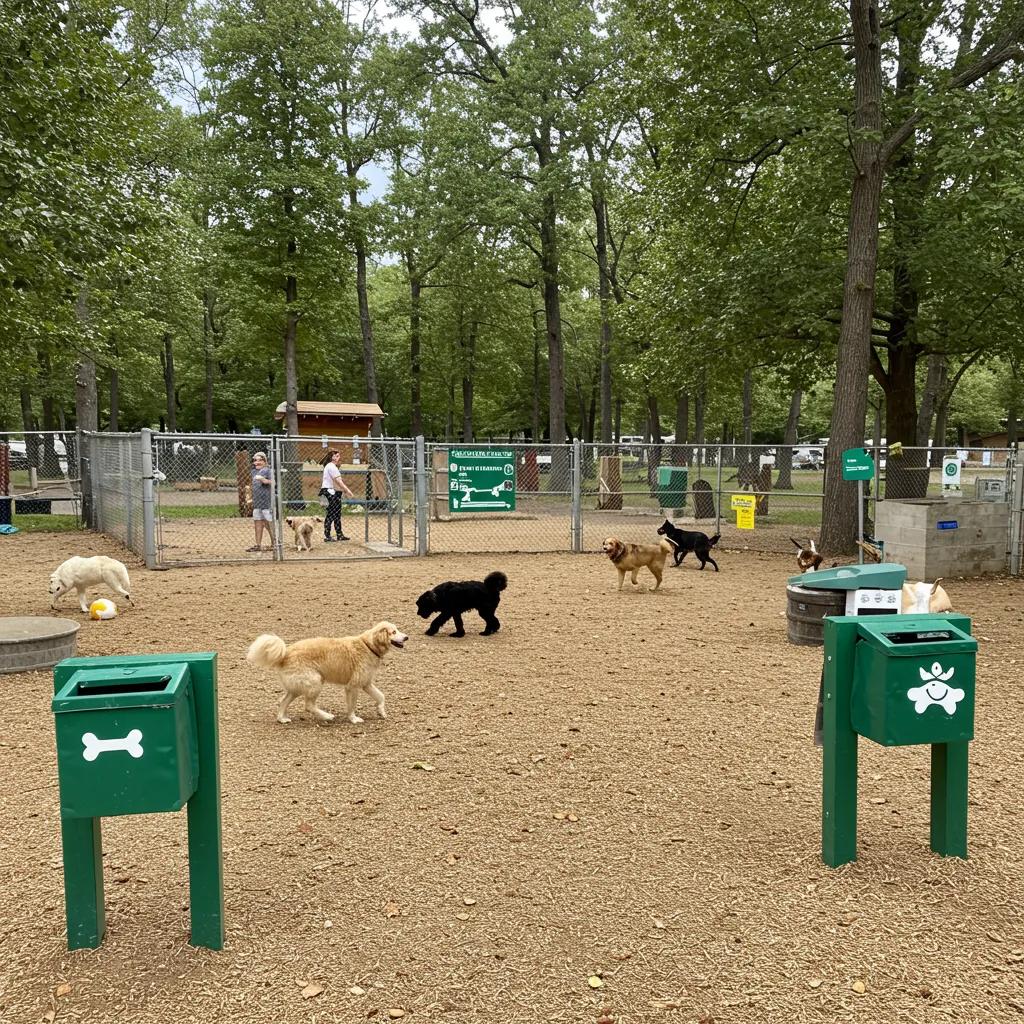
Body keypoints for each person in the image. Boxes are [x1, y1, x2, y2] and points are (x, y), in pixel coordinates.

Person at [321, 449, 354, 541]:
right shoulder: (331, 467)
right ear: (333, 457)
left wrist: (340, 492)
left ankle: (339, 534)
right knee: (331, 514)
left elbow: (335, 482)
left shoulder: (331, 466)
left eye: (339, 456)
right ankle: (327, 536)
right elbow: (339, 482)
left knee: (337, 514)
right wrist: (347, 491)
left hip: (333, 492)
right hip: (330, 492)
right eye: (337, 456)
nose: (339, 458)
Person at [248, 451, 275, 552]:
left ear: (264, 461)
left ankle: (274, 543)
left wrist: (264, 480)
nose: (257, 462)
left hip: (266, 503)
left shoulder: (268, 471)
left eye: (260, 460)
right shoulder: (254, 471)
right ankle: (258, 545)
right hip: (257, 502)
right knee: (258, 523)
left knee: (268, 523)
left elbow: (274, 483)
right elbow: (252, 486)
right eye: (255, 460)